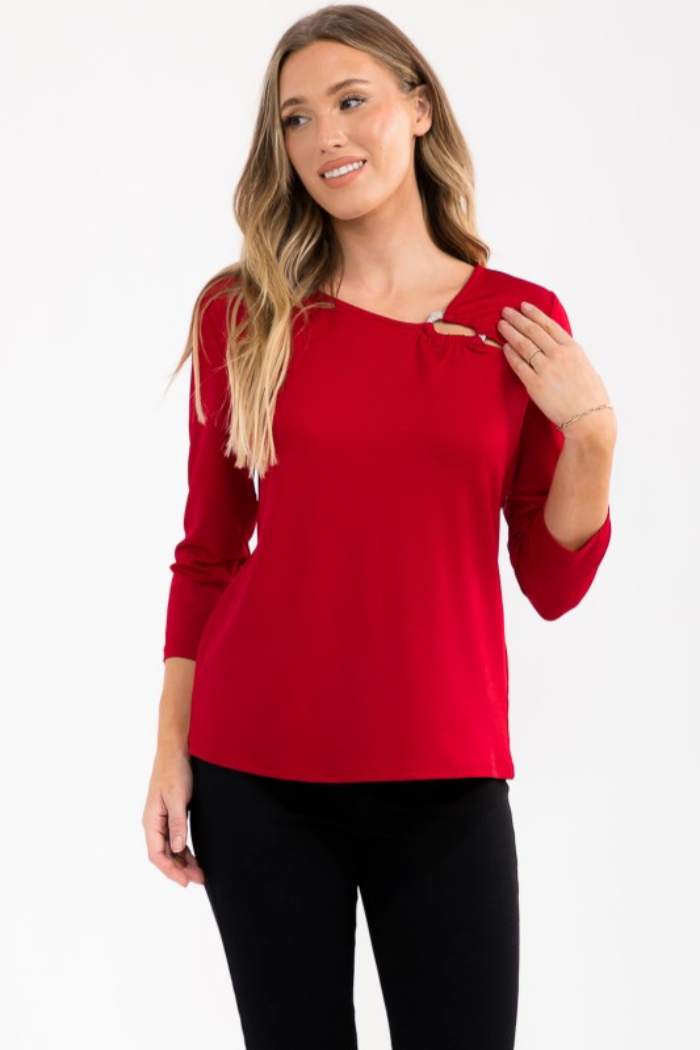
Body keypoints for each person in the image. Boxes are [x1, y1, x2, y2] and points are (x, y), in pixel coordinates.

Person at [142, 5, 616, 1048]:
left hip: (445, 769)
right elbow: (208, 554)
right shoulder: (244, 315)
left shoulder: (516, 322)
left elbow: (550, 581)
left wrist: (593, 436)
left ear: (418, 106)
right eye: (297, 119)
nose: (326, 138)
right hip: (254, 766)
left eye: (351, 102)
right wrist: (169, 751)